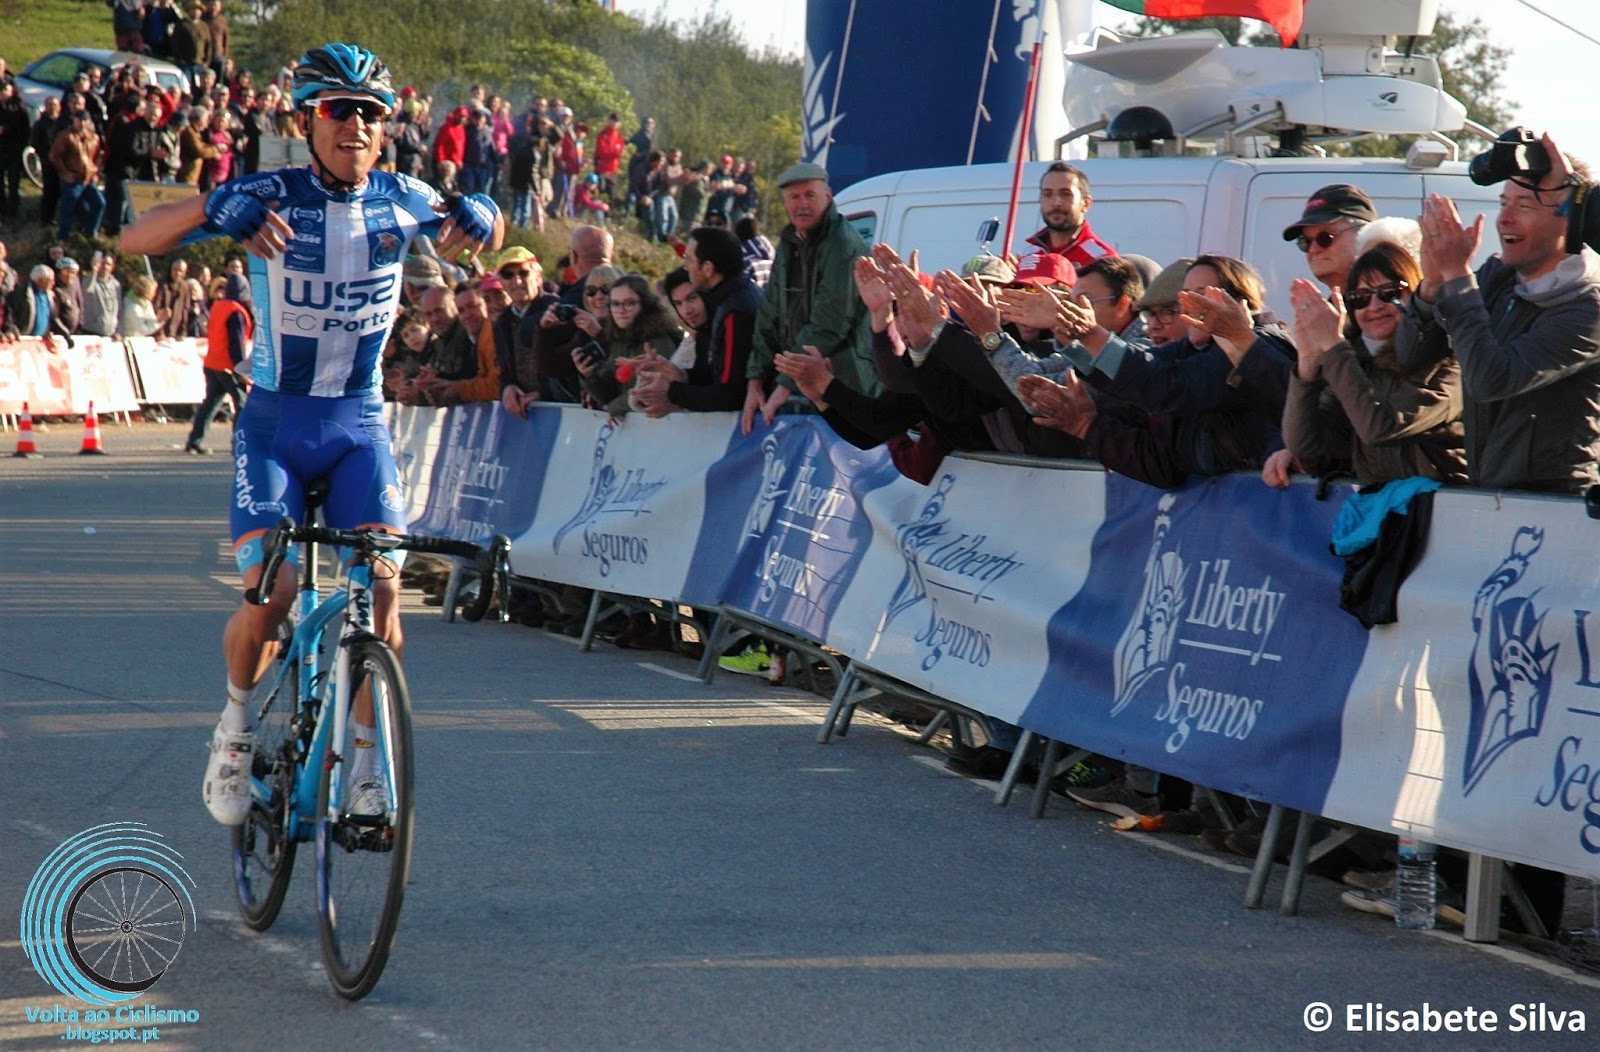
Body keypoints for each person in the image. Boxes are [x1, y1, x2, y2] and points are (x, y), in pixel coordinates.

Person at [120, 42, 502, 827]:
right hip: (274, 422)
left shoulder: (404, 196)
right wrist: (209, 204)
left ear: (384, 128)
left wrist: (485, 213)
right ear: (308, 120)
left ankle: (365, 769)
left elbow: (484, 227)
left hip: (358, 424)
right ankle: (232, 729)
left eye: (370, 114)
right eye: (338, 111)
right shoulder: (266, 193)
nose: (355, 126)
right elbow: (134, 240)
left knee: (384, 590)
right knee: (277, 589)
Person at [1398, 135, 1600, 494]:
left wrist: (1458, 277)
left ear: (1570, 219)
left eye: (1524, 205)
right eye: (1503, 202)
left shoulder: (1589, 308)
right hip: (1494, 502)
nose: (1504, 219)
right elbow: (1411, 355)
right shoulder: (1497, 278)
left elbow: (1490, 381)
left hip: (1557, 510)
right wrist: (1431, 287)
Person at [1270, 229, 1466, 488]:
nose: (1374, 306)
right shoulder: (1356, 363)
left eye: (1389, 292)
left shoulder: (1448, 359)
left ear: (1416, 295)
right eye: (1360, 298)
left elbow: (1381, 427)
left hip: (1452, 516)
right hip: (1389, 517)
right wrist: (1308, 362)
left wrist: (1334, 344)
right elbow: (1307, 446)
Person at [742, 162, 878, 434]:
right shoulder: (789, 243)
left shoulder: (843, 245)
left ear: (827, 196)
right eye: (794, 197)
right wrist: (755, 379)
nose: (802, 204)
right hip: (804, 382)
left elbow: (830, 323)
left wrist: (783, 386)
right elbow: (771, 312)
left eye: (810, 195)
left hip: (847, 383)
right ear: (785, 202)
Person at [632, 225, 761, 415]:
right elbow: (716, 376)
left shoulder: (735, 311)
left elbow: (730, 394)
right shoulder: (727, 299)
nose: (686, 267)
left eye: (689, 260)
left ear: (707, 268)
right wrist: (681, 376)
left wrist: (671, 391)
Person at [185, 272, 252, 454]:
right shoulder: (236, 312)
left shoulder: (219, 306)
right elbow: (235, 344)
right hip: (228, 366)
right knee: (242, 405)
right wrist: (242, 371)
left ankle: (194, 441)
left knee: (210, 404)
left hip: (212, 362)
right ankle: (239, 444)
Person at [1281, 183, 1376, 294]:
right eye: (1305, 242)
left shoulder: (1390, 299)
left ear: (1364, 234)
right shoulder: (1325, 308)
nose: (1313, 250)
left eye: (1324, 238)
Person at [1024, 162, 1114, 267]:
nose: (1056, 202)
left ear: (1086, 203)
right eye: (1048, 194)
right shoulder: (1029, 255)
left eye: (1066, 194)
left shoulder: (1103, 260)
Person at [50, 111, 105, 240]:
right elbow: (55, 156)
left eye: (84, 120)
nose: (81, 123)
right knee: (68, 208)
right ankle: (63, 237)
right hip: (72, 179)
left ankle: (91, 232)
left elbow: (97, 156)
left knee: (99, 203)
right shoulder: (65, 136)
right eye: (79, 120)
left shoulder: (93, 137)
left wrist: (95, 171)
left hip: (88, 179)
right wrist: (64, 173)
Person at [0, 79, 28, 220]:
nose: (2, 94)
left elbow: (24, 130)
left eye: (5, 91)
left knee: (13, 182)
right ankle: (2, 210)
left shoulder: (18, 107)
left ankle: (13, 212)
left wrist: (6, 129)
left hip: (14, 150)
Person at [80, 251, 123, 338]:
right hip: (91, 332)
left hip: (111, 333)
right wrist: (94, 271)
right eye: (102, 263)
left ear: (112, 267)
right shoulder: (90, 281)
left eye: (108, 264)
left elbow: (119, 309)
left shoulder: (116, 285)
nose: (105, 267)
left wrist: (119, 331)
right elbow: (86, 289)